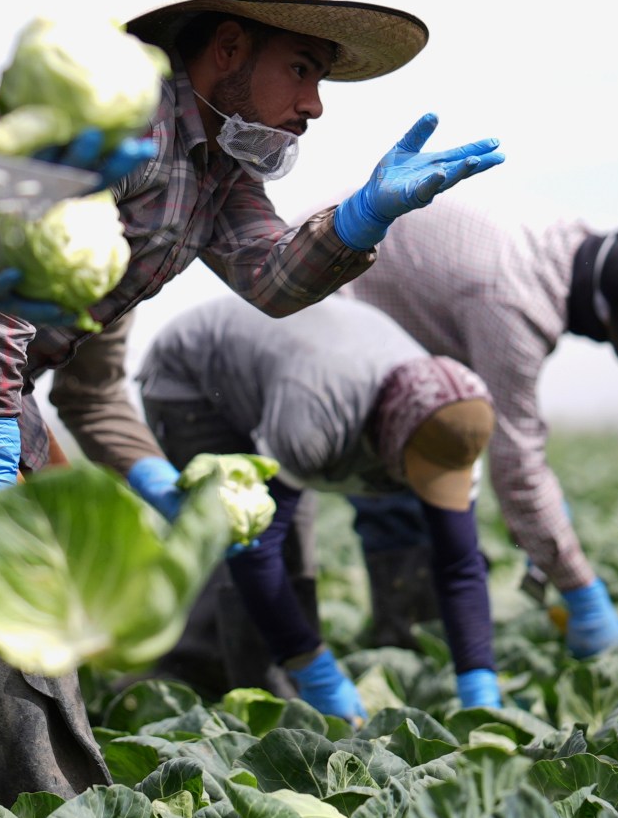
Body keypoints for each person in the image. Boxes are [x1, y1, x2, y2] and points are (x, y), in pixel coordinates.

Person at [0, 0, 504, 800]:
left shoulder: (215, 164)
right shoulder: (110, 113)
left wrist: (360, 219)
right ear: (229, 46)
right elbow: (4, 259)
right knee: (43, 580)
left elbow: (270, 278)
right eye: (305, 69)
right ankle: (47, 811)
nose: (314, 104)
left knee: (48, 576)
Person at [137, 296, 504, 722]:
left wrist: (480, 682)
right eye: (414, 471)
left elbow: (459, 562)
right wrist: (314, 669)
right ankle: (244, 699)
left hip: (293, 371)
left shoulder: (453, 420)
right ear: (387, 440)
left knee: (288, 557)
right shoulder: (314, 419)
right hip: (195, 381)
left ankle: (253, 672)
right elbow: (256, 546)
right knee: (246, 538)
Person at [345, 199, 618, 658]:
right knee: (399, 488)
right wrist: (579, 588)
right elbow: (516, 466)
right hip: (335, 294)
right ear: (601, 315)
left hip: (375, 290)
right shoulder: (513, 307)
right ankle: (412, 651)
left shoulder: (562, 241)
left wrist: (541, 528)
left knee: (431, 480)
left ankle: (432, 637)